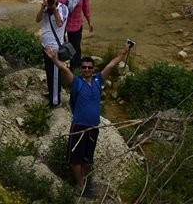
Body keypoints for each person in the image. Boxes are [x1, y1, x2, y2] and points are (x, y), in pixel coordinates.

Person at [44, 42, 133, 197]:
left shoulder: (99, 80)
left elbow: (111, 64)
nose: (86, 70)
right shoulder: (76, 82)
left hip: (93, 128)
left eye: (89, 67)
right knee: (74, 159)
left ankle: (83, 180)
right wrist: (53, 58)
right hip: (79, 126)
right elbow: (64, 68)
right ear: (81, 69)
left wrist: (124, 52)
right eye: (84, 67)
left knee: (85, 157)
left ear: (93, 69)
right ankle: (80, 186)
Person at [54, 0, 93, 68]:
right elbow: (53, 5)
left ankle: (74, 72)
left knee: (75, 49)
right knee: (59, 47)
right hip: (61, 24)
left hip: (76, 24)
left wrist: (89, 21)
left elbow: (86, 6)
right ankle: (60, 68)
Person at [36, 0, 69, 107]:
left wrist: (53, 9)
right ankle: (51, 93)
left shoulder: (63, 8)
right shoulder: (44, 9)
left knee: (55, 75)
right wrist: (42, 7)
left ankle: (55, 102)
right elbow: (37, 19)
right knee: (49, 72)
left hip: (55, 48)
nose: (48, 1)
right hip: (45, 46)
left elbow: (60, 23)